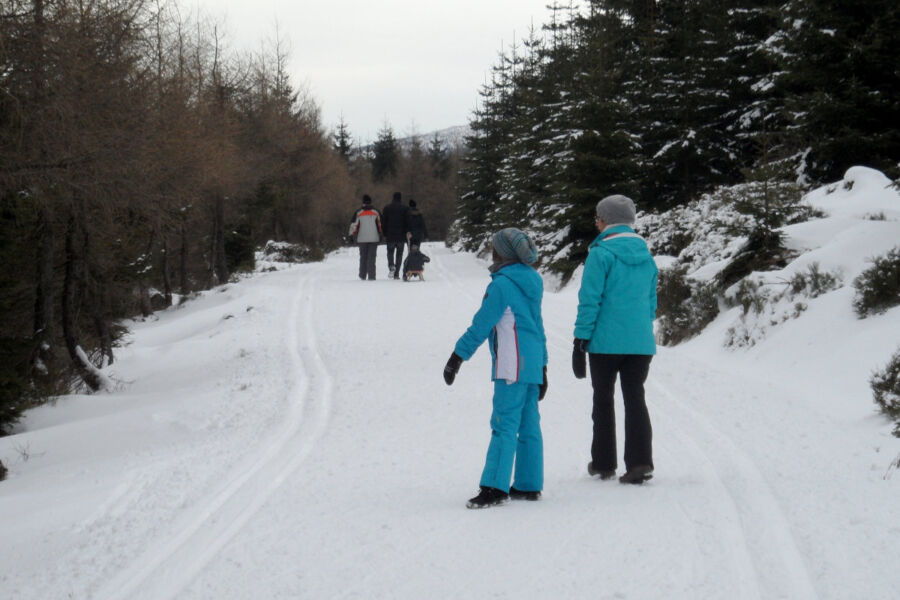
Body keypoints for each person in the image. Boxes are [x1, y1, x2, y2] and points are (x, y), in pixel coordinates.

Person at [443, 228, 549, 509]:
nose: (492, 251)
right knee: (528, 423)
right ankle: (528, 484)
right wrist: (544, 366)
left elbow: (482, 324)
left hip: (512, 365)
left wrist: (457, 356)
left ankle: (494, 486)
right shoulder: (533, 280)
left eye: (495, 248)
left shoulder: (501, 285)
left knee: (503, 423)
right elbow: (537, 326)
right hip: (531, 363)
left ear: (503, 253)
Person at [572, 194, 658, 485]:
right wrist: (640, 328)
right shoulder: (645, 254)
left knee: (603, 400)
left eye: (597, 217)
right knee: (635, 398)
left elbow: (590, 300)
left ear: (605, 220)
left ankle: (604, 462)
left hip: (606, 343)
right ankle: (640, 463)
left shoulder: (600, 254)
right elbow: (650, 302)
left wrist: (580, 338)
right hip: (640, 343)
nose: (596, 222)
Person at [348, 194, 383, 280]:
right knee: (372, 257)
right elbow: (380, 225)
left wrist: (351, 236)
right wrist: (381, 234)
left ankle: (362, 275)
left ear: (363, 202)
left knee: (363, 257)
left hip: (362, 238)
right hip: (374, 238)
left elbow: (354, 225)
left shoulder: (358, 212)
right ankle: (372, 276)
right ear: (370, 202)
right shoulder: (376, 212)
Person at [381, 191, 410, 279]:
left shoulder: (387, 208)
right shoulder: (405, 208)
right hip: (401, 235)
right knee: (399, 254)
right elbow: (408, 222)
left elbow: (384, 222)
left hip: (390, 235)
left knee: (390, 252)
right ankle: (397, 273)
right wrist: (407, 232)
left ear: (393, 198)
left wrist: (384, 233)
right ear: (400, 198)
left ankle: (391, 266)